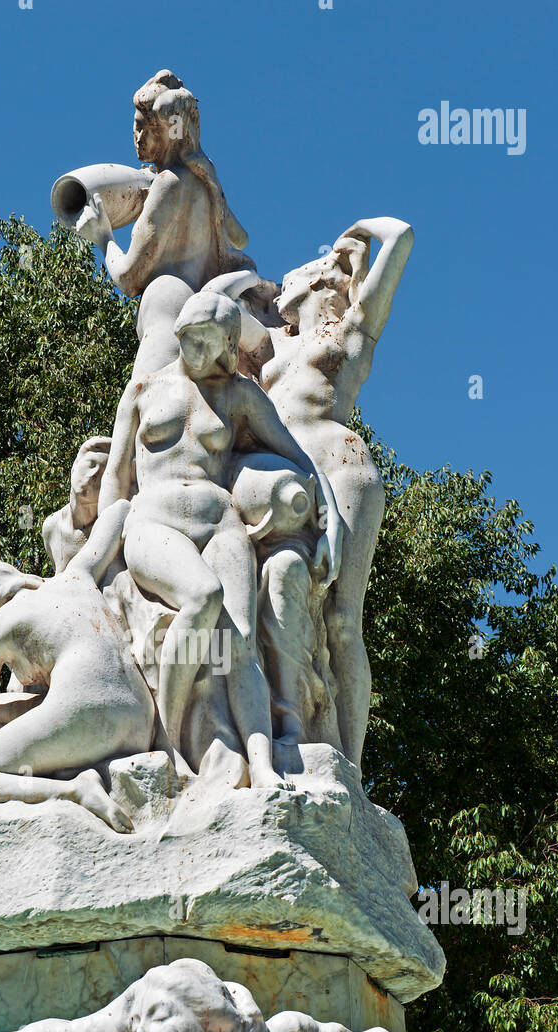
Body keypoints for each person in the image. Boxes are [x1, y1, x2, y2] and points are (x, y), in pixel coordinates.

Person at [99, 283, 342, 786]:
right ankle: (168, 743)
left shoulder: (239, 395)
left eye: (210, 343)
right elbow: (115, 478)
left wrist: (331, 522)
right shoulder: (143, 389)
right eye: (190, 339)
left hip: (221, 520)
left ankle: (263, 767)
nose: (197, 352)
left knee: (243, 639)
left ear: (229, 347)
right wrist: (99, 558)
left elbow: (304, 462)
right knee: (203, 595)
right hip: (155, 519)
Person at [226, 219, 414, 767]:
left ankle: (349, 764)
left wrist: (358, 233)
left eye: (309, 267)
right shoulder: (269, 346)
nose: (294, 272)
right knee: (269, 595)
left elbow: (399, 237)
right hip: (281, 472)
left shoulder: (350, 331)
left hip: (340, 465)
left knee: (341, 619)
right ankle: (286, 727)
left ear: (317, 283)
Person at [0, 501, 154, 832]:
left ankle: (74, 790)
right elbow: (119, 511)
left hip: (90, 720)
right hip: (141, 721)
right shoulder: (76, 574)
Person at [75, 70, 269, 377]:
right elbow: (240, 239)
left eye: (147, 130)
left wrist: (102, 236)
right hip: (204, 317)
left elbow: (128, 278)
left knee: (140, 411)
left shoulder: (168, 184)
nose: (139, 137)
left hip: (169, 313)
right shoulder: (202, 179)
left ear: (166, 131)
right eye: (136, 127)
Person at [42, 436, 112, 573]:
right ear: (74, 467)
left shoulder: (107, 528)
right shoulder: (51, 526)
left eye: (104, 474)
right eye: (91, 464)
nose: (94, 475)